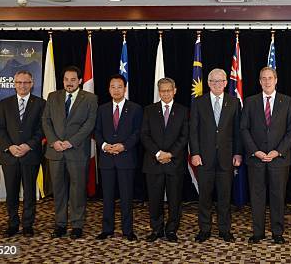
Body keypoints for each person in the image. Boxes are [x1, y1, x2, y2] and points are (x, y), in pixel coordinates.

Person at [241, 66, 291, 244]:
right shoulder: (250, 102)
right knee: (257, 197)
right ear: (259, 81)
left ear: (276, 80)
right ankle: (258, 232)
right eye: (263, 78)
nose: (267, 81)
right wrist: (255, 151)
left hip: (278, 159)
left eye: (270, 78)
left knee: (278, 197)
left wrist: (278, 151)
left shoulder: (287, 102)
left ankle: (277, 233)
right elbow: (244, 129)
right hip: (255, 159)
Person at [42, 65, 98, 239]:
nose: (69, 83)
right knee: (58, 190)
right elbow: (46, 121)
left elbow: (89, 124)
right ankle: (60, 224)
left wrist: (70, 142)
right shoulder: (53, 97)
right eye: (66, 79)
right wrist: (53, 141)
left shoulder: (90, 98)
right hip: (56, 151)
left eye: (73, 80)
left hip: (77, 152)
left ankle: (77, 225)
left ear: (80, 81)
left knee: (77, 190)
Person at [190, 68, 242, 243]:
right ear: (209, 83)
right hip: (204, 158)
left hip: (227, 158)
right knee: (204, 197)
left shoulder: (234, 102)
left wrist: (238, 153)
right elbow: (193, 131)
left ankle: (224, 230)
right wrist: (195, 153)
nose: (217, 84)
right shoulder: (199, 102)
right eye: (213, 81)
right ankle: (204, 229)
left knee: (225, 197)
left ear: (226, 83)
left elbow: (237, 131)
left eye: (220, 81)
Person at [0, 70, 45, 238]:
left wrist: (28, 146)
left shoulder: (40, 103)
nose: (22, 86)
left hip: (30, 155)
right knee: (11, 193)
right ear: (14, 84)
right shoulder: (4, 103)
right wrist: (10, 146)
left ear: (32, 83)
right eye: (19, 82)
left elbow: (41, 129)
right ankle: (13, 223)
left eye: (26, 82)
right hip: (9, 156)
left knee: (30, 192)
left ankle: (28, 225)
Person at [94, 74, 142, 241]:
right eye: (113, 87)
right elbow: (97, 131)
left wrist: (124, 146)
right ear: (109, 89)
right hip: (106, 159)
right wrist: (104, 146)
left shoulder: (135, 108)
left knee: (126, 197)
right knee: (107, 197)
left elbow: (137, 133)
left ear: (125, 88)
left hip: (126, 158)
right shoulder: (102, 109)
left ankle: (127, 230)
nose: (116, 90)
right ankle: (107, 229)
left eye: (119, 86)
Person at [141, 77, 189, 243]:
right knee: (154, 199)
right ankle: (156, 229)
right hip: (153, 162)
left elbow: (184, 137)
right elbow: (144, 135)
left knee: (175, 200)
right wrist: (158, 153)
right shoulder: (149, 110)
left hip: (174, 163)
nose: (166, 93)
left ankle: (171, 230)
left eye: (169, 90)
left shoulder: (183, 110)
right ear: (159, 92)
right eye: (162, 91)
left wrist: (170, 154)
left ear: (175, 90)